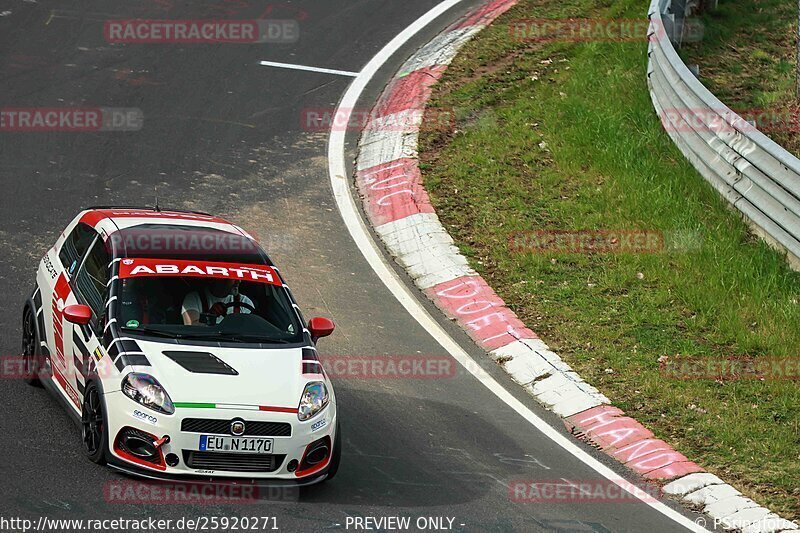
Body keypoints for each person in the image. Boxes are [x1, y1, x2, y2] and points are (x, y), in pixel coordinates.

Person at [181, 278, 255, 326]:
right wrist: (209, 316)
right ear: (219, 279)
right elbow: (191, 327)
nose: (239, 281)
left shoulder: (244, 302)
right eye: (233, 278)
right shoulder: (194, 298)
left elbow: (252, 330)